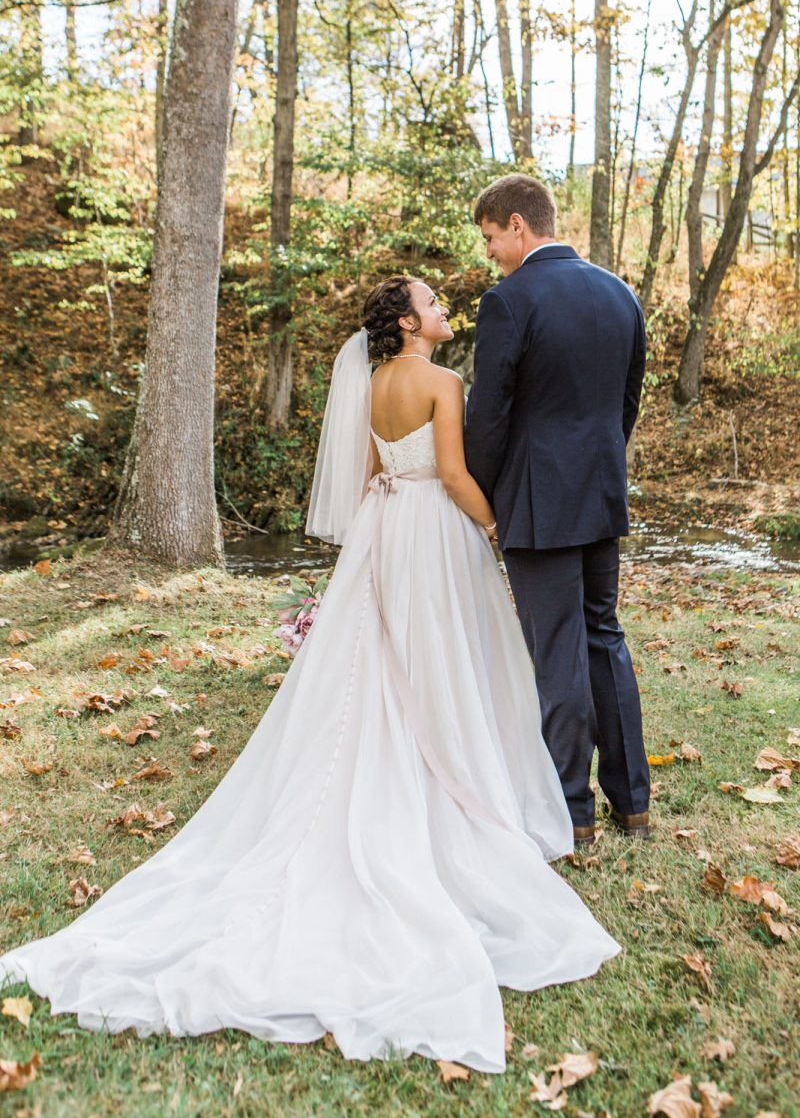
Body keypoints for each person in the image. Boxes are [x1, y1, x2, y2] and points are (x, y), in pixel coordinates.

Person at [0, 277, 620, 1074]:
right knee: (445, 658)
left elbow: (368, 473)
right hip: (434, 527)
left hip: (384, 529)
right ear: (407, 323)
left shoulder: (370, 383)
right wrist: (498, 527)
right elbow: (457, 476)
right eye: (432, 303)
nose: (444, 311)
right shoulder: (442, 382)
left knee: (380, 661)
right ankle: (455, 773)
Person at [464, 173, 651, 847]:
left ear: (519, 225)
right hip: (601, 492)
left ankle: (572, 810)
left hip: (537, 502)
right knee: (605, 637)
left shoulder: (509, 302)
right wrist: (598, 466)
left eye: (490, 237)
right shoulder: (620, 294)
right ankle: (632, 802)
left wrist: (479, 495)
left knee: (557, 650)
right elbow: (625, 405)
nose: (488, 253)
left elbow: (487, 416)